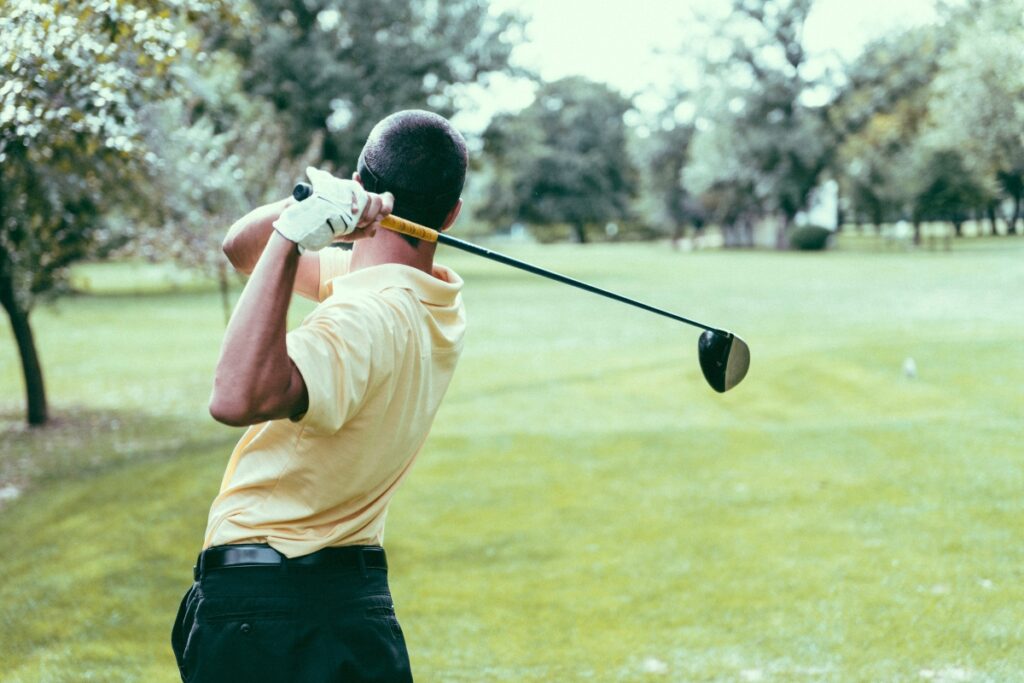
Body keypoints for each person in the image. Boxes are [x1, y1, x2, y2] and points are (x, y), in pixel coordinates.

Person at [171, 110, 468, 683]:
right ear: (451, 213)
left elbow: (235, 397)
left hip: (270, 618)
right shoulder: (438, 299)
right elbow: (241, 249)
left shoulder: (364, 317)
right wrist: (302, 217)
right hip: (353, 610)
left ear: (359, 185)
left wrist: (294, 231)